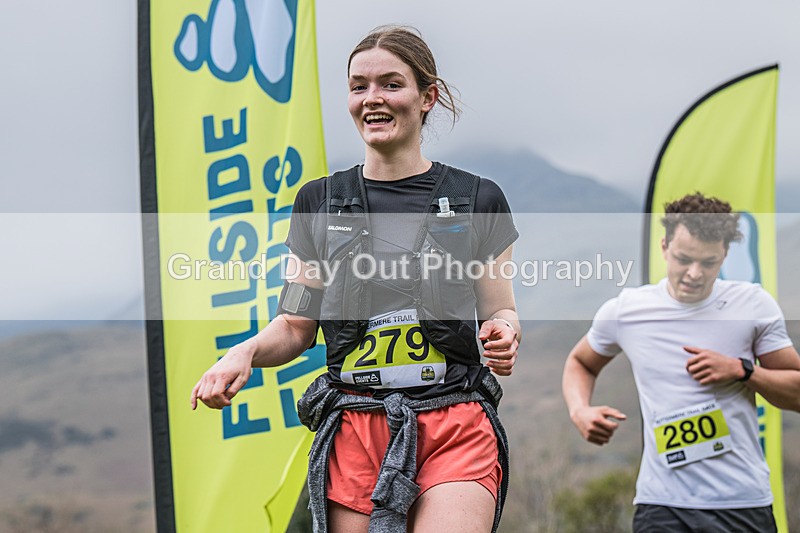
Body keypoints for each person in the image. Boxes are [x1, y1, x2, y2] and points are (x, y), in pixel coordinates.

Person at [191, 26, 520, 533]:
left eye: (391, 84)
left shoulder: (479, 198)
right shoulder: (317, 203)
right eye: (358, 86)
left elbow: (501, 309)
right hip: (356, 427)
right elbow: (296, 325)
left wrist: (503, 331)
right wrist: (245, 353)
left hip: (454, 421)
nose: (373, 99)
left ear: (427, 96)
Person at [562, 192, 800, 532]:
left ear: (725, 256)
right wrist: (579, 410)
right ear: (664, 246)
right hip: (662, 505)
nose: (693, 274)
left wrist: (743, 371)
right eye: (683, 259)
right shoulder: (628, 310)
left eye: (708, 263)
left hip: (741, 502)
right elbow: (581, 363)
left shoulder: (752, 306)